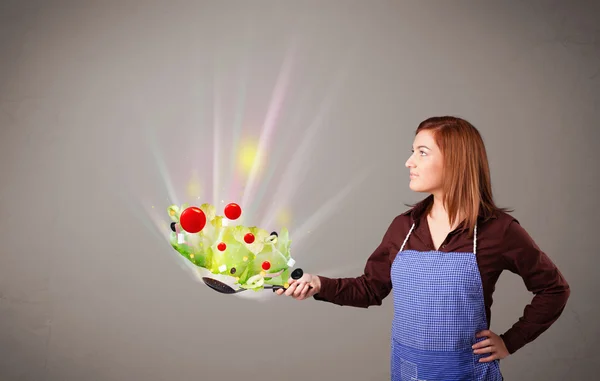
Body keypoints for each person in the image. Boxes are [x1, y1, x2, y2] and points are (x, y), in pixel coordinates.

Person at [275, 116, 571, 380]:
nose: (409, 162)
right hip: (408, 371)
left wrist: (510, 341)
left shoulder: (499, 230)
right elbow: (370, 288)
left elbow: (554, 289)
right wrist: (317, 284)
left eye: (422, 153)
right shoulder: (404, 227)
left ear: (456, 161)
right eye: (412, 151)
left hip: (466, 373)